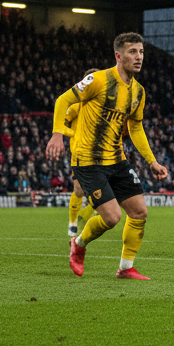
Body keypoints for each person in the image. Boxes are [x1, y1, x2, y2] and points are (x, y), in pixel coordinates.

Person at [45, 33, 168, 280]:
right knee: (112, 218)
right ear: (118, 56)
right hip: (88, 161)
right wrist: (57, 133)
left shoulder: (138, 92)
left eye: (141, 52)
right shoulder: (98, 80)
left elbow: (135, 128)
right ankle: (78, 244)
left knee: (139, 212)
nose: (139, 57)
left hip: (117, 159)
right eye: (133, 52)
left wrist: (151, 161)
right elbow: (63, 99)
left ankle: (125, 268)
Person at [63, 68, 102, 237]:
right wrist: (74, 135)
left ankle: (86, 214)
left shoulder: (103, 105)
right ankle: (73, 223)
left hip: (101, 153)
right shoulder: (77, 104)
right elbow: (62, 123)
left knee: (104, 188)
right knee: (79, 191)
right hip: (80, 153)